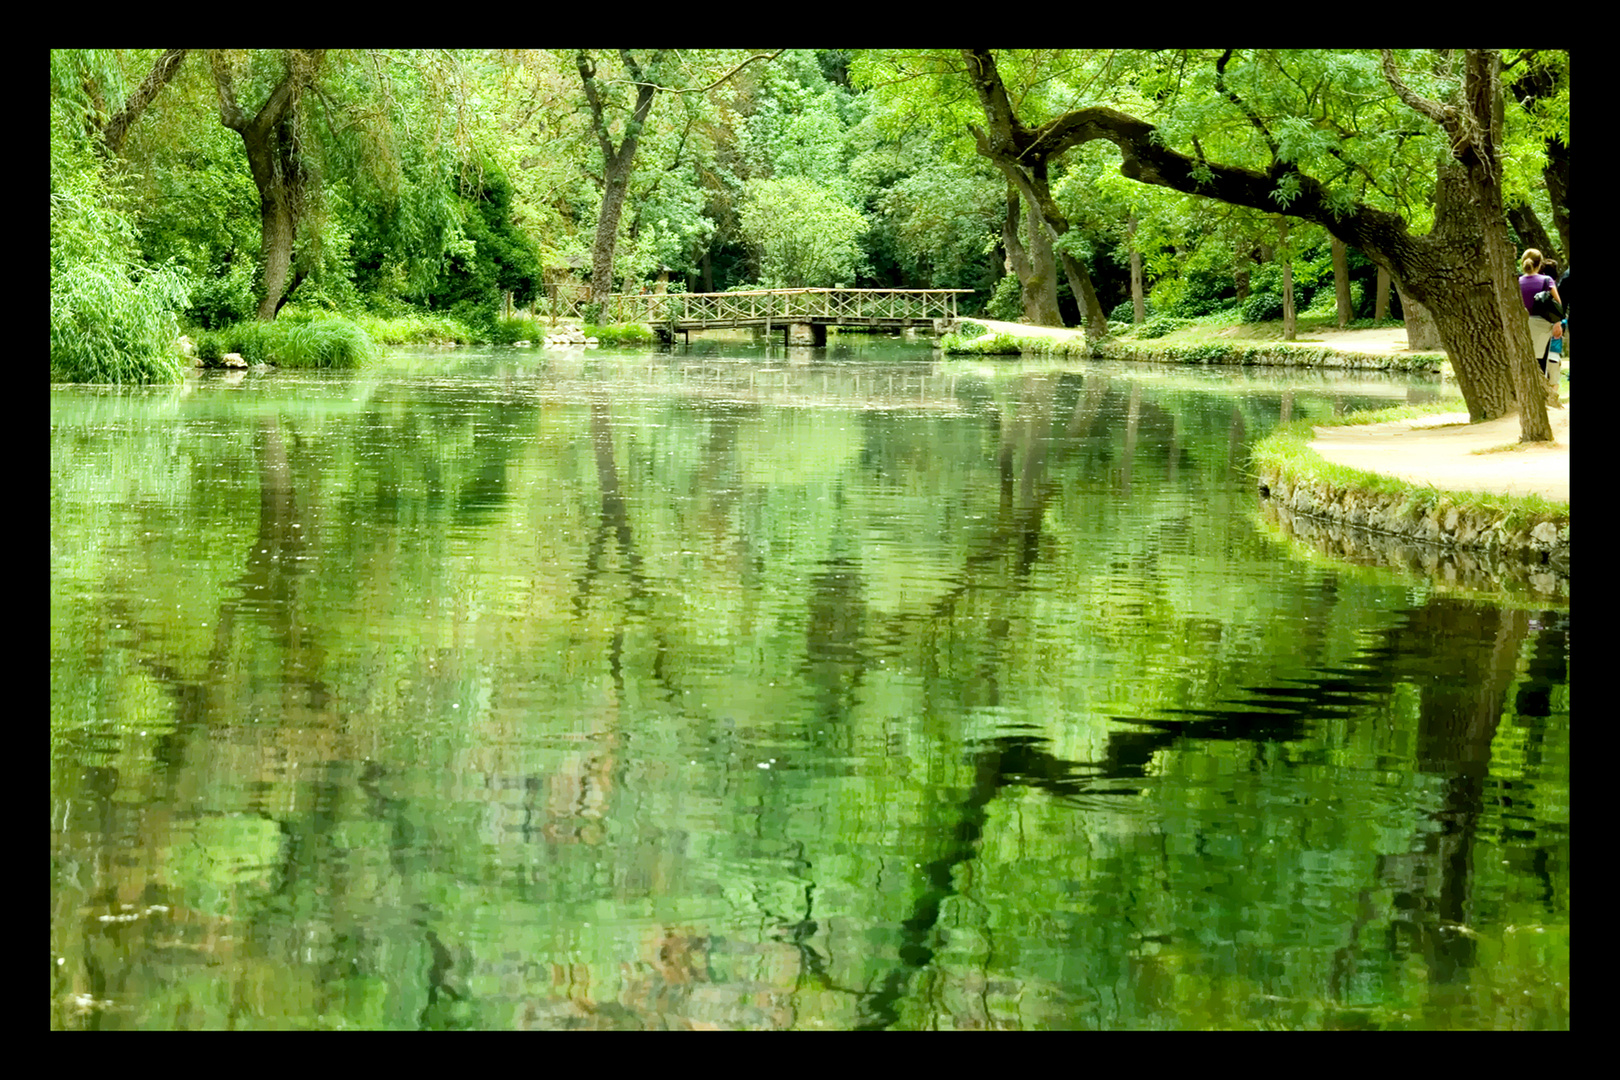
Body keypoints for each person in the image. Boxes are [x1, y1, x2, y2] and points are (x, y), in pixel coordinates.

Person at [1519, 249, 1563, 378]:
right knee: (1541, 362)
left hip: (1524, 323)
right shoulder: (1546, 280)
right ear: (1540, 264)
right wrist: (1558, 323)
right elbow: (1557, 303)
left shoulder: (1517, 281)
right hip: (1543, 324)